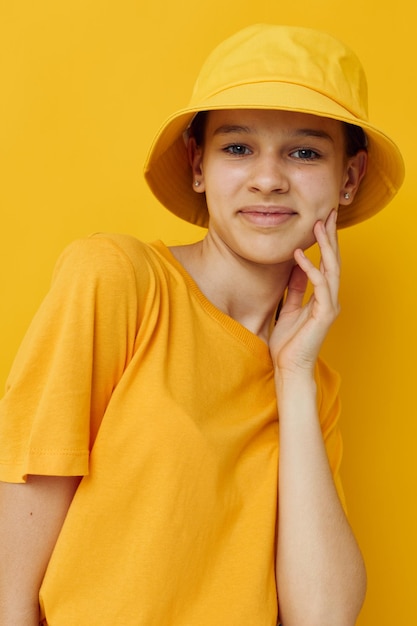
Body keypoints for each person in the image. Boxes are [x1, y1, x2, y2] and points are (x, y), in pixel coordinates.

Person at [0, 24, 404, 626]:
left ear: (348, 179)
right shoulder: (118, 280)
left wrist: (292, 377)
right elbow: (11, 582)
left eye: (305, 151)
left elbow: (322, 617)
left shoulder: (311, 386)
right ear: (198, 163)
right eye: (237, 148)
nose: (268, 178)